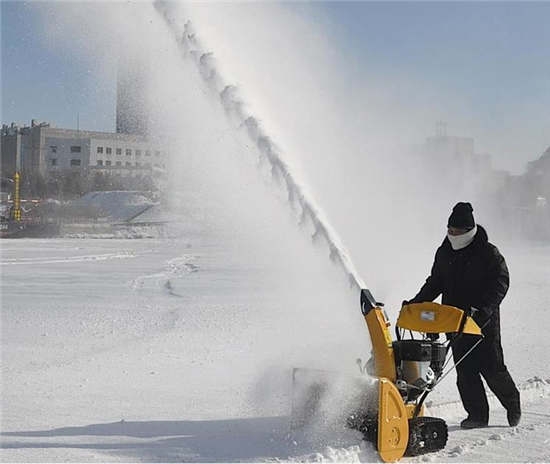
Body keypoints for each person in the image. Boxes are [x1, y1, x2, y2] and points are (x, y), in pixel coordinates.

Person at [405, 202, 521, 429]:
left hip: (482, 322)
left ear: (469, 231)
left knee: (492, 368)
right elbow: (435, 282)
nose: (452, 235)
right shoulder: (445, 252)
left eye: (457, 232)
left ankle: (512, 404)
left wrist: (482, 310)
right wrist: (417, 302)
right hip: (453, 320)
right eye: (449, 231)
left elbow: (500, 283)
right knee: (465, 372)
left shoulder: (488, 253)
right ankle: (477, 415)